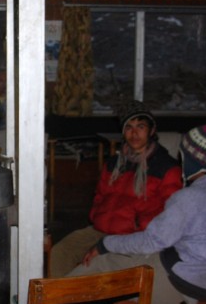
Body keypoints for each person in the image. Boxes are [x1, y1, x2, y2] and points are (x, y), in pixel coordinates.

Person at [43, 124, 206, 304]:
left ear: (193, 159)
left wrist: (105, 244)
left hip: (182, 289)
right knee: (103, 267)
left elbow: (151, 241)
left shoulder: (190, 198)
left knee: (97, 279)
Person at [47, 101, 183, 278]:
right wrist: (97, 216)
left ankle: (75, 293)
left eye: (141, 127)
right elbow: (100, 196)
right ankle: (56, 295)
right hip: (101, 230)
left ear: (151, 131)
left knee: (87, 269)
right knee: (60, 252)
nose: (134, 133)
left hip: (133, 237)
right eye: (129, 127)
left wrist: (137, 226)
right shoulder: (114, 163)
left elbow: (171, 214)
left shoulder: (167, 168)